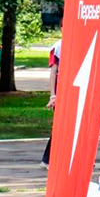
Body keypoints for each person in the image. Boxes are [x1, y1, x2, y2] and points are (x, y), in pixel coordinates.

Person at [41, 39, 61, 169]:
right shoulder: (59, 47)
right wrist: (53, 95)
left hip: (77, 91)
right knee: (61, 126)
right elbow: (53, 72)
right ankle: (48, 160)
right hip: (62, 92)